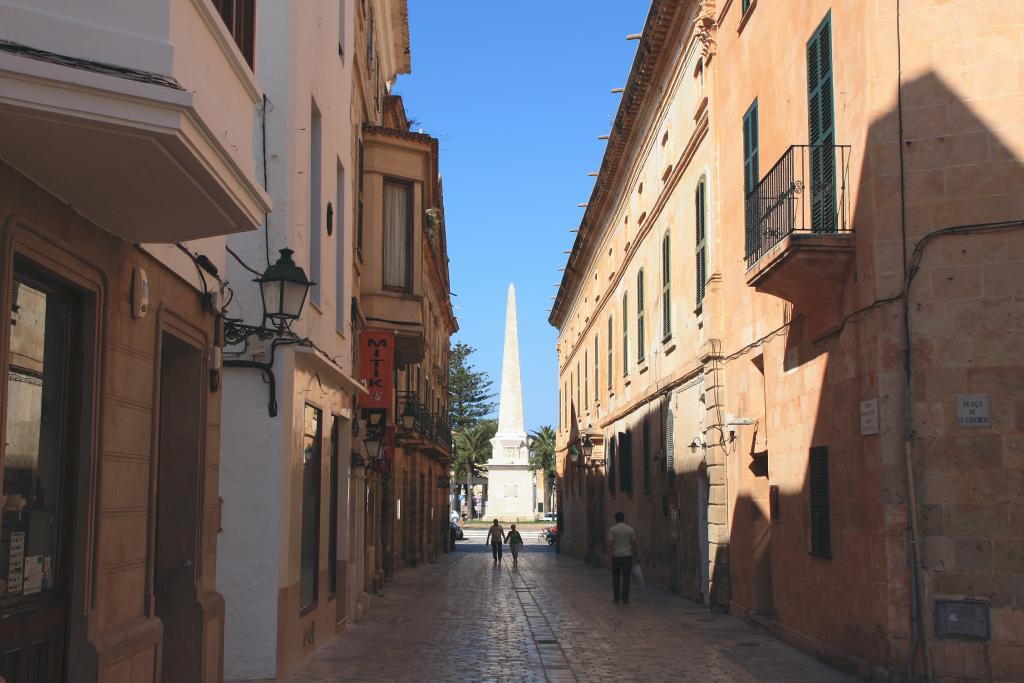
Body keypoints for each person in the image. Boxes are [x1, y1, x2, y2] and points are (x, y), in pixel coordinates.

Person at [606, 511, 637, 604]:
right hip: (627, 556)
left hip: (616, 556)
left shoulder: (612, 529)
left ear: (615, 519)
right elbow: (634, 544)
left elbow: (610, 543)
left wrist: (609, 555)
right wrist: (635, 555)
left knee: (616, 577)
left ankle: (616, 597)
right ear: (623, 518)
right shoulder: (630, 529)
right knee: (626, 577)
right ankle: (625, 598)